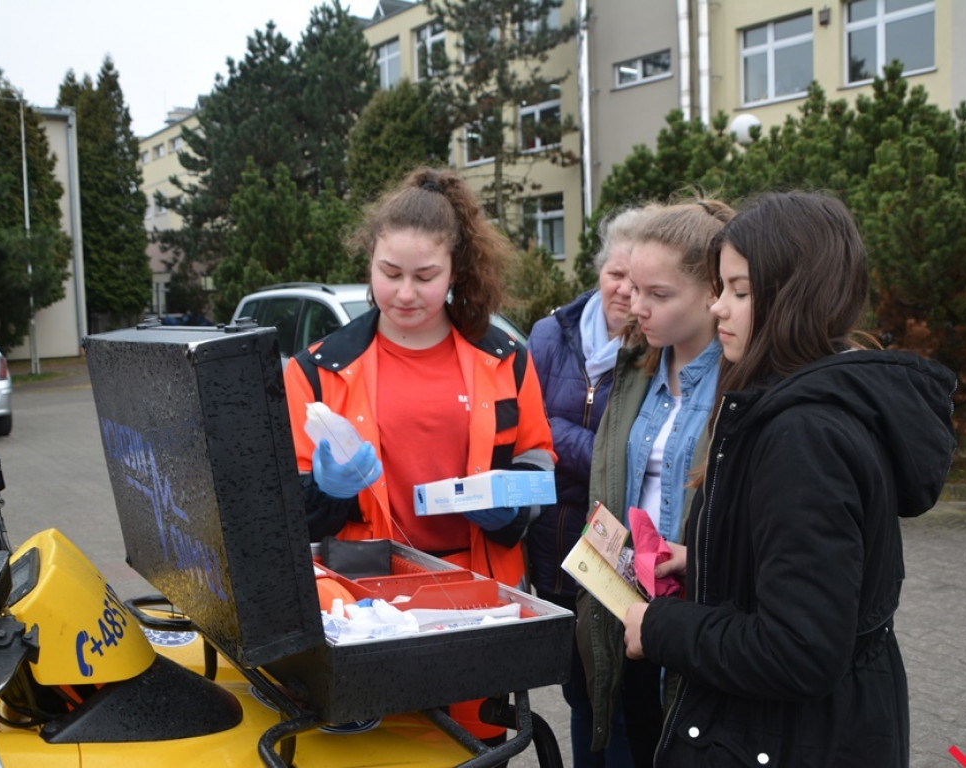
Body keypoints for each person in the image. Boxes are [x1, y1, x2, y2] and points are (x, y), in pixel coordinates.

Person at [622, 191, 957, 767]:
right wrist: (703, 557)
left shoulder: (804, 433)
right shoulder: (805, 404)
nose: (720, 308)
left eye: (741, 292)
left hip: (796, 738)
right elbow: (808, 577)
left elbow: (799, 649)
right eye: (721, 289)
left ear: (795, 295)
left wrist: (661, 627)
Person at [283, 165, 555, 740]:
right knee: (379, 749)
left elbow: (538, 461)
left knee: (469, 747)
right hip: (363, 608)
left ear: (457, 270)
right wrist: (325, 491)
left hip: (475, 602)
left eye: (425, 276)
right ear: (369, 264)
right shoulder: (316, 370)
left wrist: (512, 505)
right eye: (390, 273)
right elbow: (287, 515)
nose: (405, 293)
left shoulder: (507, 358)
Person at [580, 197, 735, 767]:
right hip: (623, 608)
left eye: (658, 294)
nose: (634, 306)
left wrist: (701, 555)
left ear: (712, 293)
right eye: (633, 288)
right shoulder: (636, 366)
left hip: (693, 617)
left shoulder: (739, 382)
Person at [526, 207, 645, 767]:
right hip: (554, 550)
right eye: (615, 273)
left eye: (639, 280)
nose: (625, 289)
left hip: (620, 550)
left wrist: (564, 438)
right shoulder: (551, 334)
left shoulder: (654, 345)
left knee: (621, 696)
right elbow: (528, 431)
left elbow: (631, 452)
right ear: (597, 270)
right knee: (579, 692)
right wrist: (594, 449)